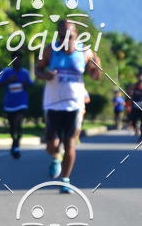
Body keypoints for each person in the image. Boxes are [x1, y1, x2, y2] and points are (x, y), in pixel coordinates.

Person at [35, 19, 101, 193]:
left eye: (70, 36)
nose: (66, 40)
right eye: (63, 36)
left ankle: (65, 180)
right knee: (51, 144)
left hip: (75, 103)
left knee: (70, 142)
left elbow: (96, 76)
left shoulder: (85, 51)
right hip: (53, 103)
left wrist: (96, 66)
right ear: (58, 35)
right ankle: (56, 157)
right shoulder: (50, 50)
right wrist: (45, 75)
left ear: (76, 36)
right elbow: (37, 69)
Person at [0, 51, 33, 158]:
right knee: (12, 126)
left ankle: (17, 144)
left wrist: (26, 84)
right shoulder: (6, 72)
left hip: (22, 102)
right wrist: (7, 80)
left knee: (18, 123)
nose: (16, 61)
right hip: (10, 103)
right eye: (14, 59)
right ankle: (14, 141)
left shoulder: (25, 72)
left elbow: (31, 84)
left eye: (18, 59)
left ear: (21, 60)